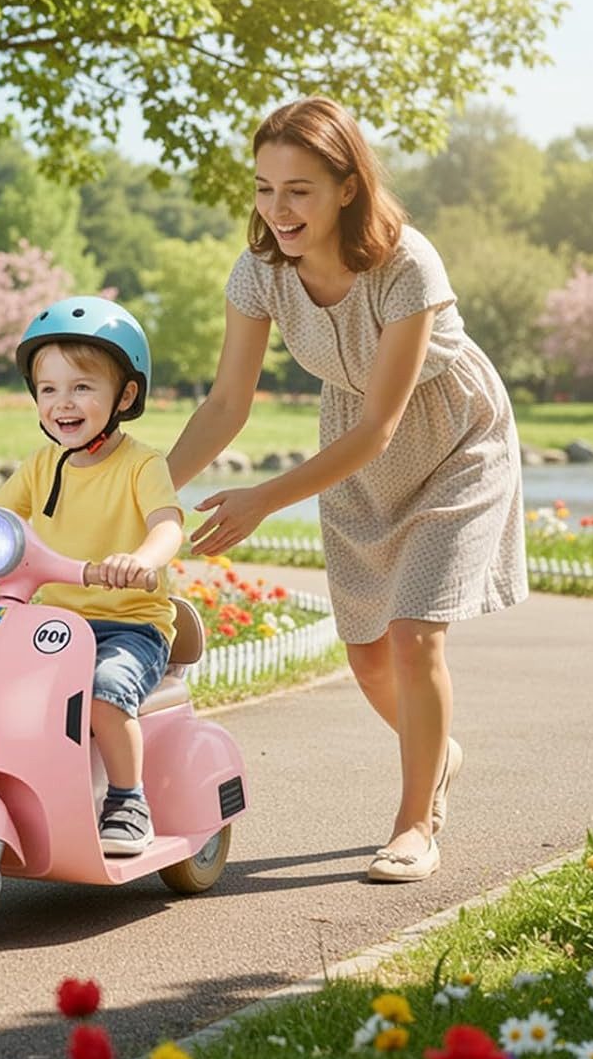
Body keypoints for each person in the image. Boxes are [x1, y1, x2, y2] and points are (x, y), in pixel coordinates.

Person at [167, 97, 526, 883]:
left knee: (414, 633)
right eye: (264, 187)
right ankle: (437, 756)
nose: (278, 208)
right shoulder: (259, 271)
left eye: (299, 189)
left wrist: (262, 499)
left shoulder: (406, 264)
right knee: (365, 656)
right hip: (354, 453)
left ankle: (414, 824)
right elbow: (228, 404)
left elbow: (381, 427)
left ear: (346, 187)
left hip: (452, 437)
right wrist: (146, 489)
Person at [0, 297, 184, 854]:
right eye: (49, 389)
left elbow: (168, 525)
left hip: (127, 625)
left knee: (107, 691)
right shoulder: (42, 464)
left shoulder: (142, 465)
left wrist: (143, 560)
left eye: (83, 387)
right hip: (50, 629)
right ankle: (10, 786)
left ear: (125, 396)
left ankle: (128, 801)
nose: (63, 403)